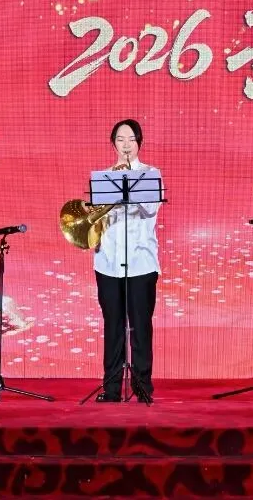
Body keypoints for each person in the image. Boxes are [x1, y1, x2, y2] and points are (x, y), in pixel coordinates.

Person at [93, 119, 160, 404]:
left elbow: (149, 209)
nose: (126, 145)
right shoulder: (103, 178)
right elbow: (97, 219)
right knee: (113, 326)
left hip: (141, 261)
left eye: (131, 139)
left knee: (141, 326)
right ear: (113, 144)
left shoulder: (151, 174)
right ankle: (111, 388)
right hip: (107, 261)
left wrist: (129, 182)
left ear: (139, 143)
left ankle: (142, 386)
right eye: (120, 140)